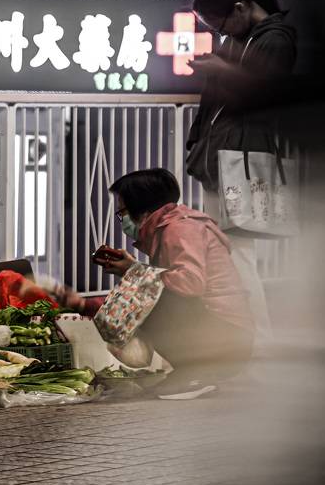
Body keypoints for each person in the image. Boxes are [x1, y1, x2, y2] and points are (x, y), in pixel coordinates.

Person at [186, 0, 297, 336]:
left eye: (219, 25)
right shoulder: (241, 38)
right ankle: (248, 335)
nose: (219, 33)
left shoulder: (276, 39)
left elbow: (265, 95)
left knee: (235, 254)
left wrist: (221, 69)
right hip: (225, 157)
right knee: (230, 252)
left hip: (240, 159)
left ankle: (255, 337)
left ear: (239, 8)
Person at [93, 168, 255, 399]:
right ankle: (189, 371)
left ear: (142, 207)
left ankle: (197, 373)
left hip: (225, 339)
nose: (123, 220)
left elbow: (190, 283)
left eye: (123, 212)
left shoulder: (179, 228)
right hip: (225, 336)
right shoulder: (173, 226)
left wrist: (134, 271)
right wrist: (134, 269)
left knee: (143, 294)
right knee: (145, 287)